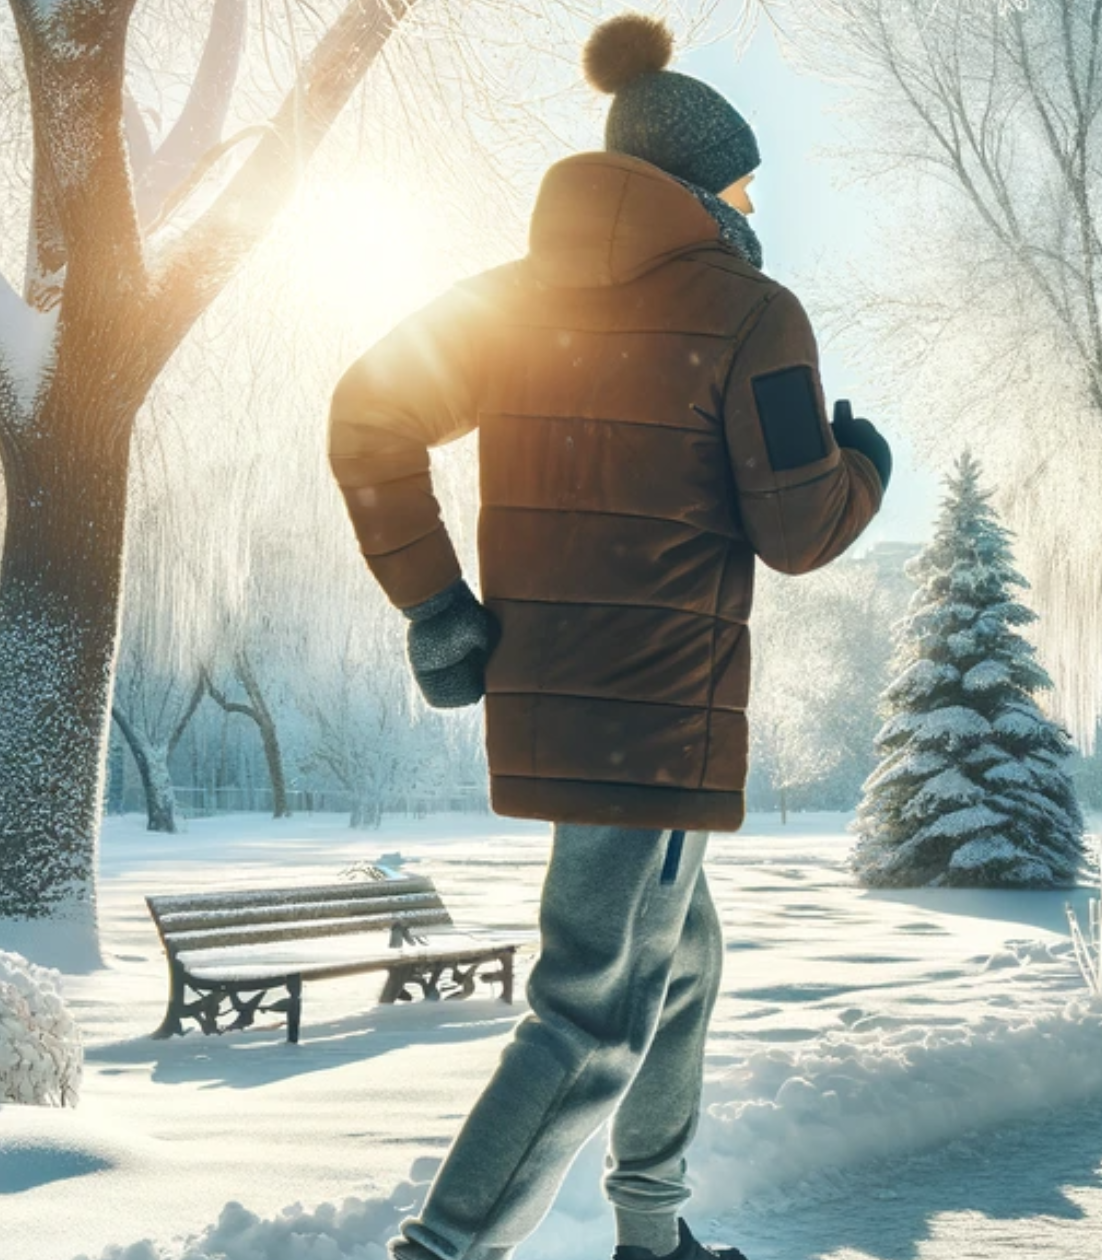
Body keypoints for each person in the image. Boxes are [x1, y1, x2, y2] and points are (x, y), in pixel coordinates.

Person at [327, 14, 891, 1259]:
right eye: (744, 178)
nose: (756, 198)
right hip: (657, 714)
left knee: (679, 964)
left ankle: (652, 1231)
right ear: (700, 188)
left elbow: (367, 413)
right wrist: (863, 464)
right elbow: (798, 531)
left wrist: (437, 604)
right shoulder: (753, 314)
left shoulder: (505, 304)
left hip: (560, 699)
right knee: (593, 1004)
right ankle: (445, 1250)